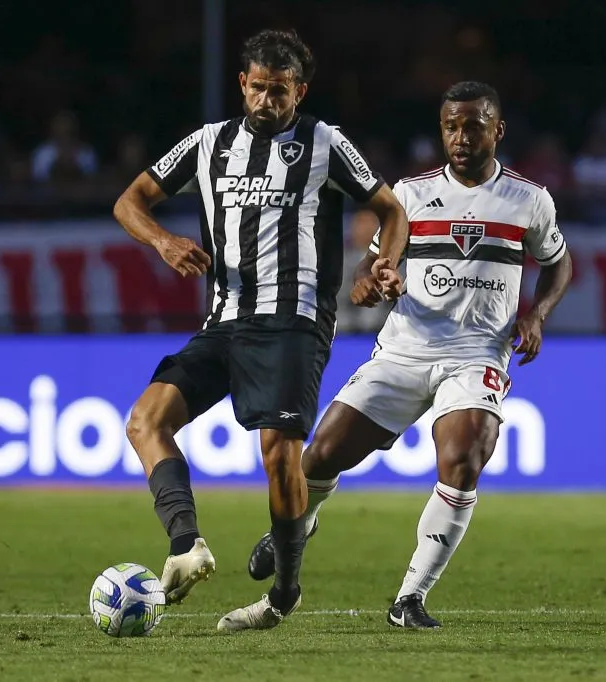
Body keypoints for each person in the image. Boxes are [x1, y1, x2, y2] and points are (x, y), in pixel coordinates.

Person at [245, 81, 573, 629]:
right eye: (450, 125)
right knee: (319, 457)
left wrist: (537, 314)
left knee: (465, 457)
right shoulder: (412, 195)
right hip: (404, 349)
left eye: (473, 125)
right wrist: (373, 280)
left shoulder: (529, 199)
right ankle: (299, 527)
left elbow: (559, 262)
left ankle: (409, 599)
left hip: (476, 354)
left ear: (498, 130)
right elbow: (372, 264)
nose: (461, 136)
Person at [113, 29, 408, 632]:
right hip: (222, 323)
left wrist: (385, 261)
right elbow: (129, 202)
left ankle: (284, 593)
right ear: (242, 85)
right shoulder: (207, 144)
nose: (267, 101)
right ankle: (186, 545)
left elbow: (391, 208)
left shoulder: (325, 143)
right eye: (258, 88)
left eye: (281, 91)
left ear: (299, 92)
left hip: (293, 323)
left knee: (278, 458)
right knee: (146, 419)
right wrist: (164, 241)